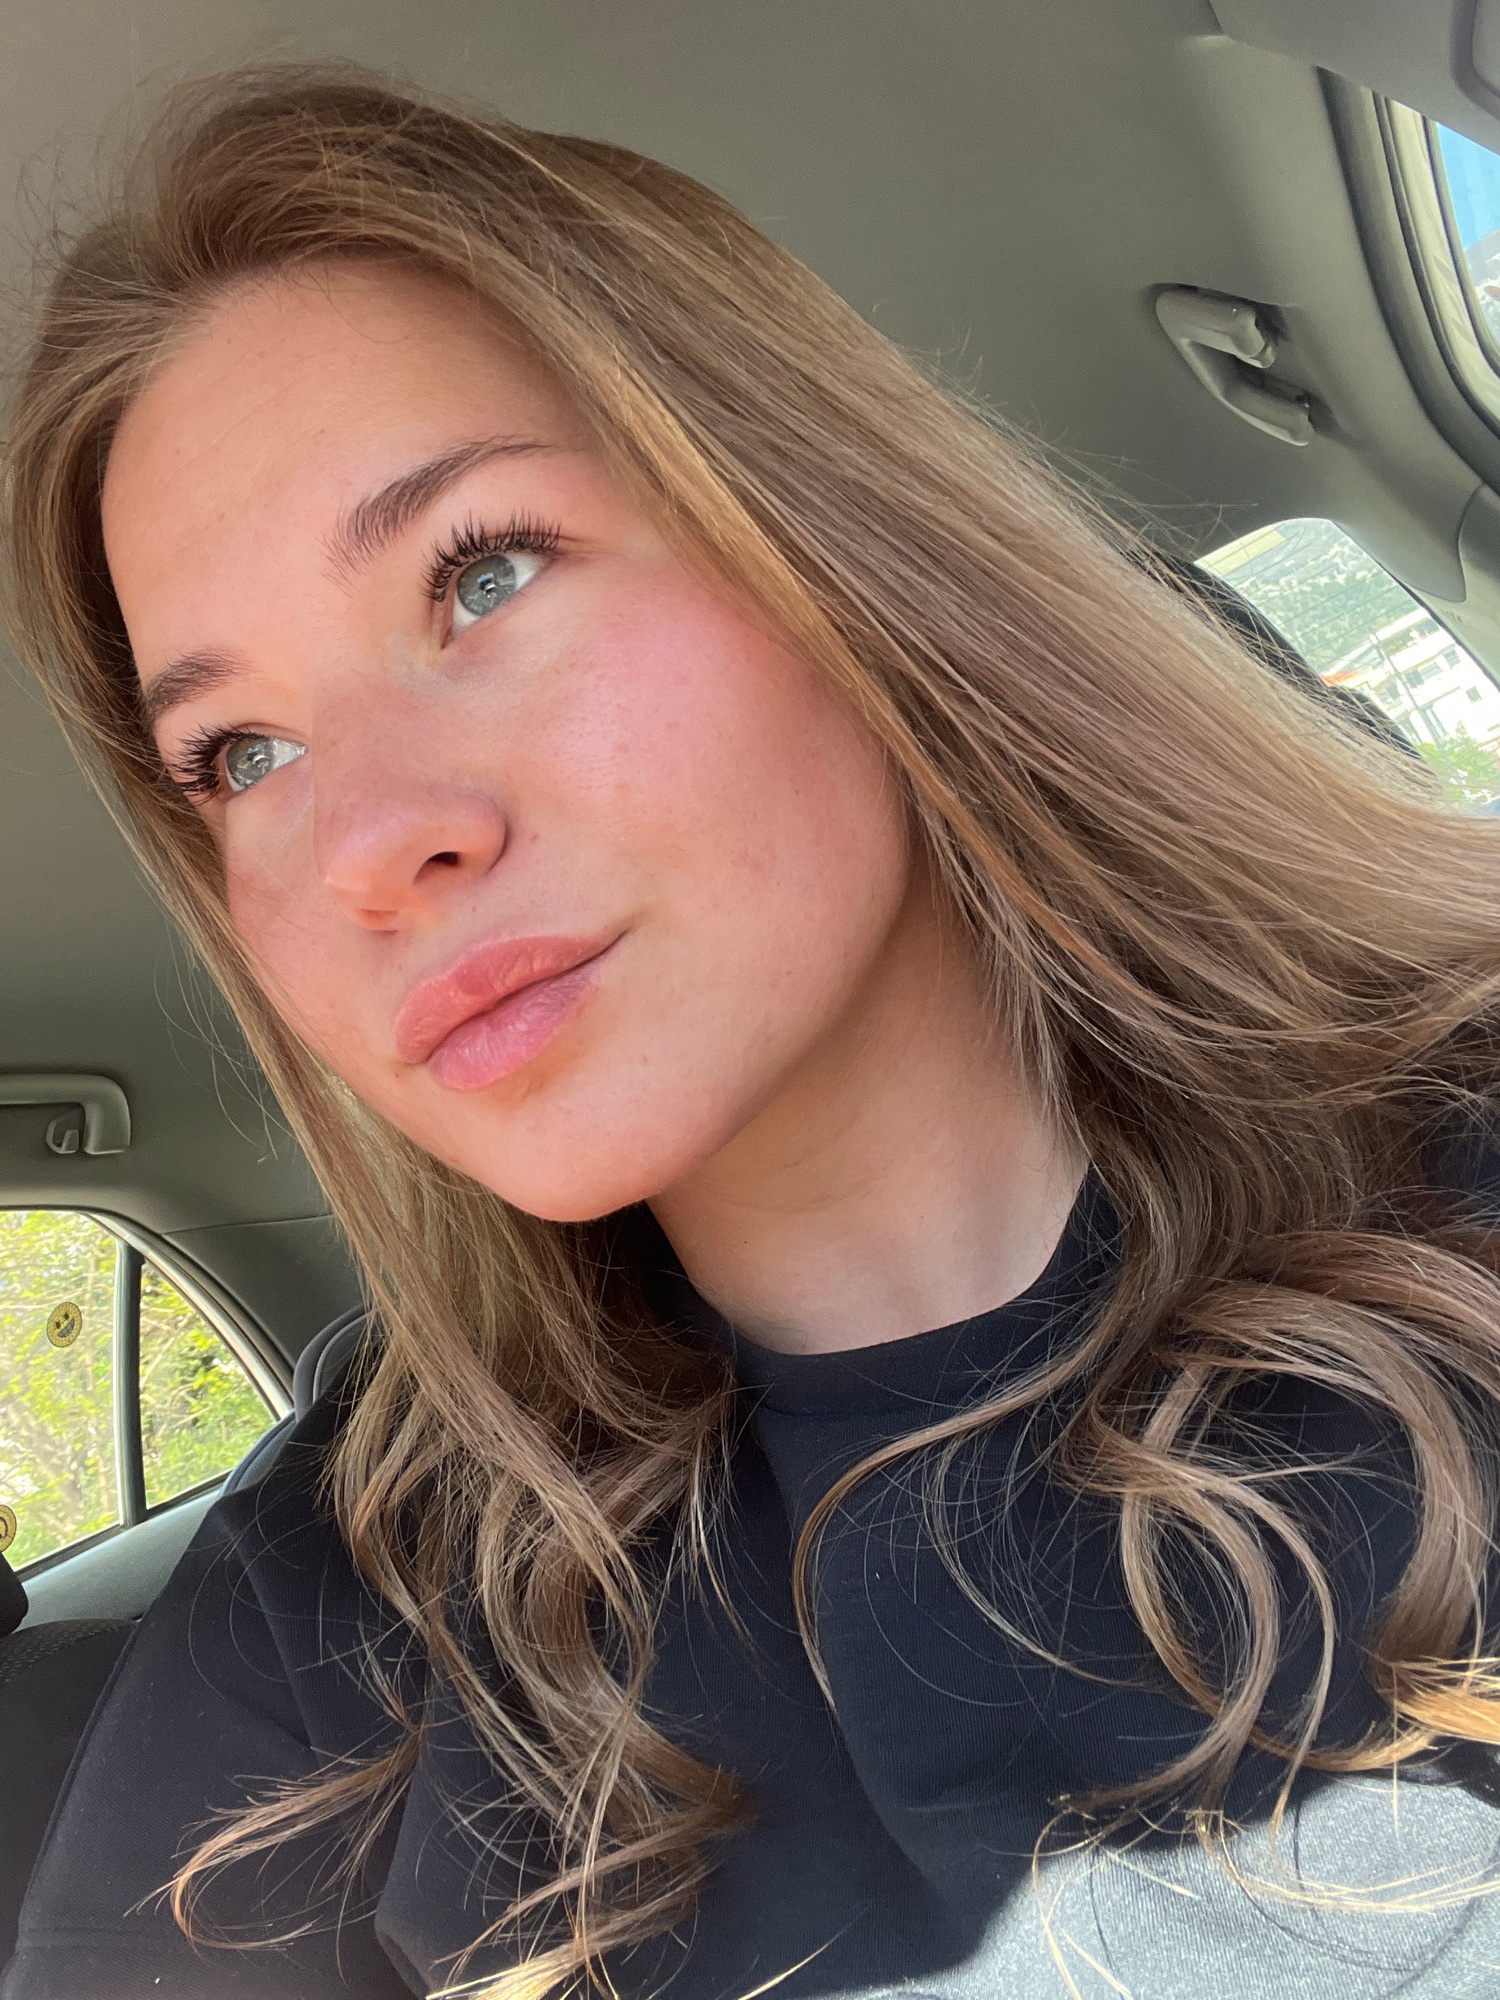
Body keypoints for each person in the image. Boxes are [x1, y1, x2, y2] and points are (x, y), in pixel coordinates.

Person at [5, 62, 1500, 2000]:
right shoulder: (350, 1588)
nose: (368, 845)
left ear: (848, 548)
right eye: (241, 754)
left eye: (483, 573)